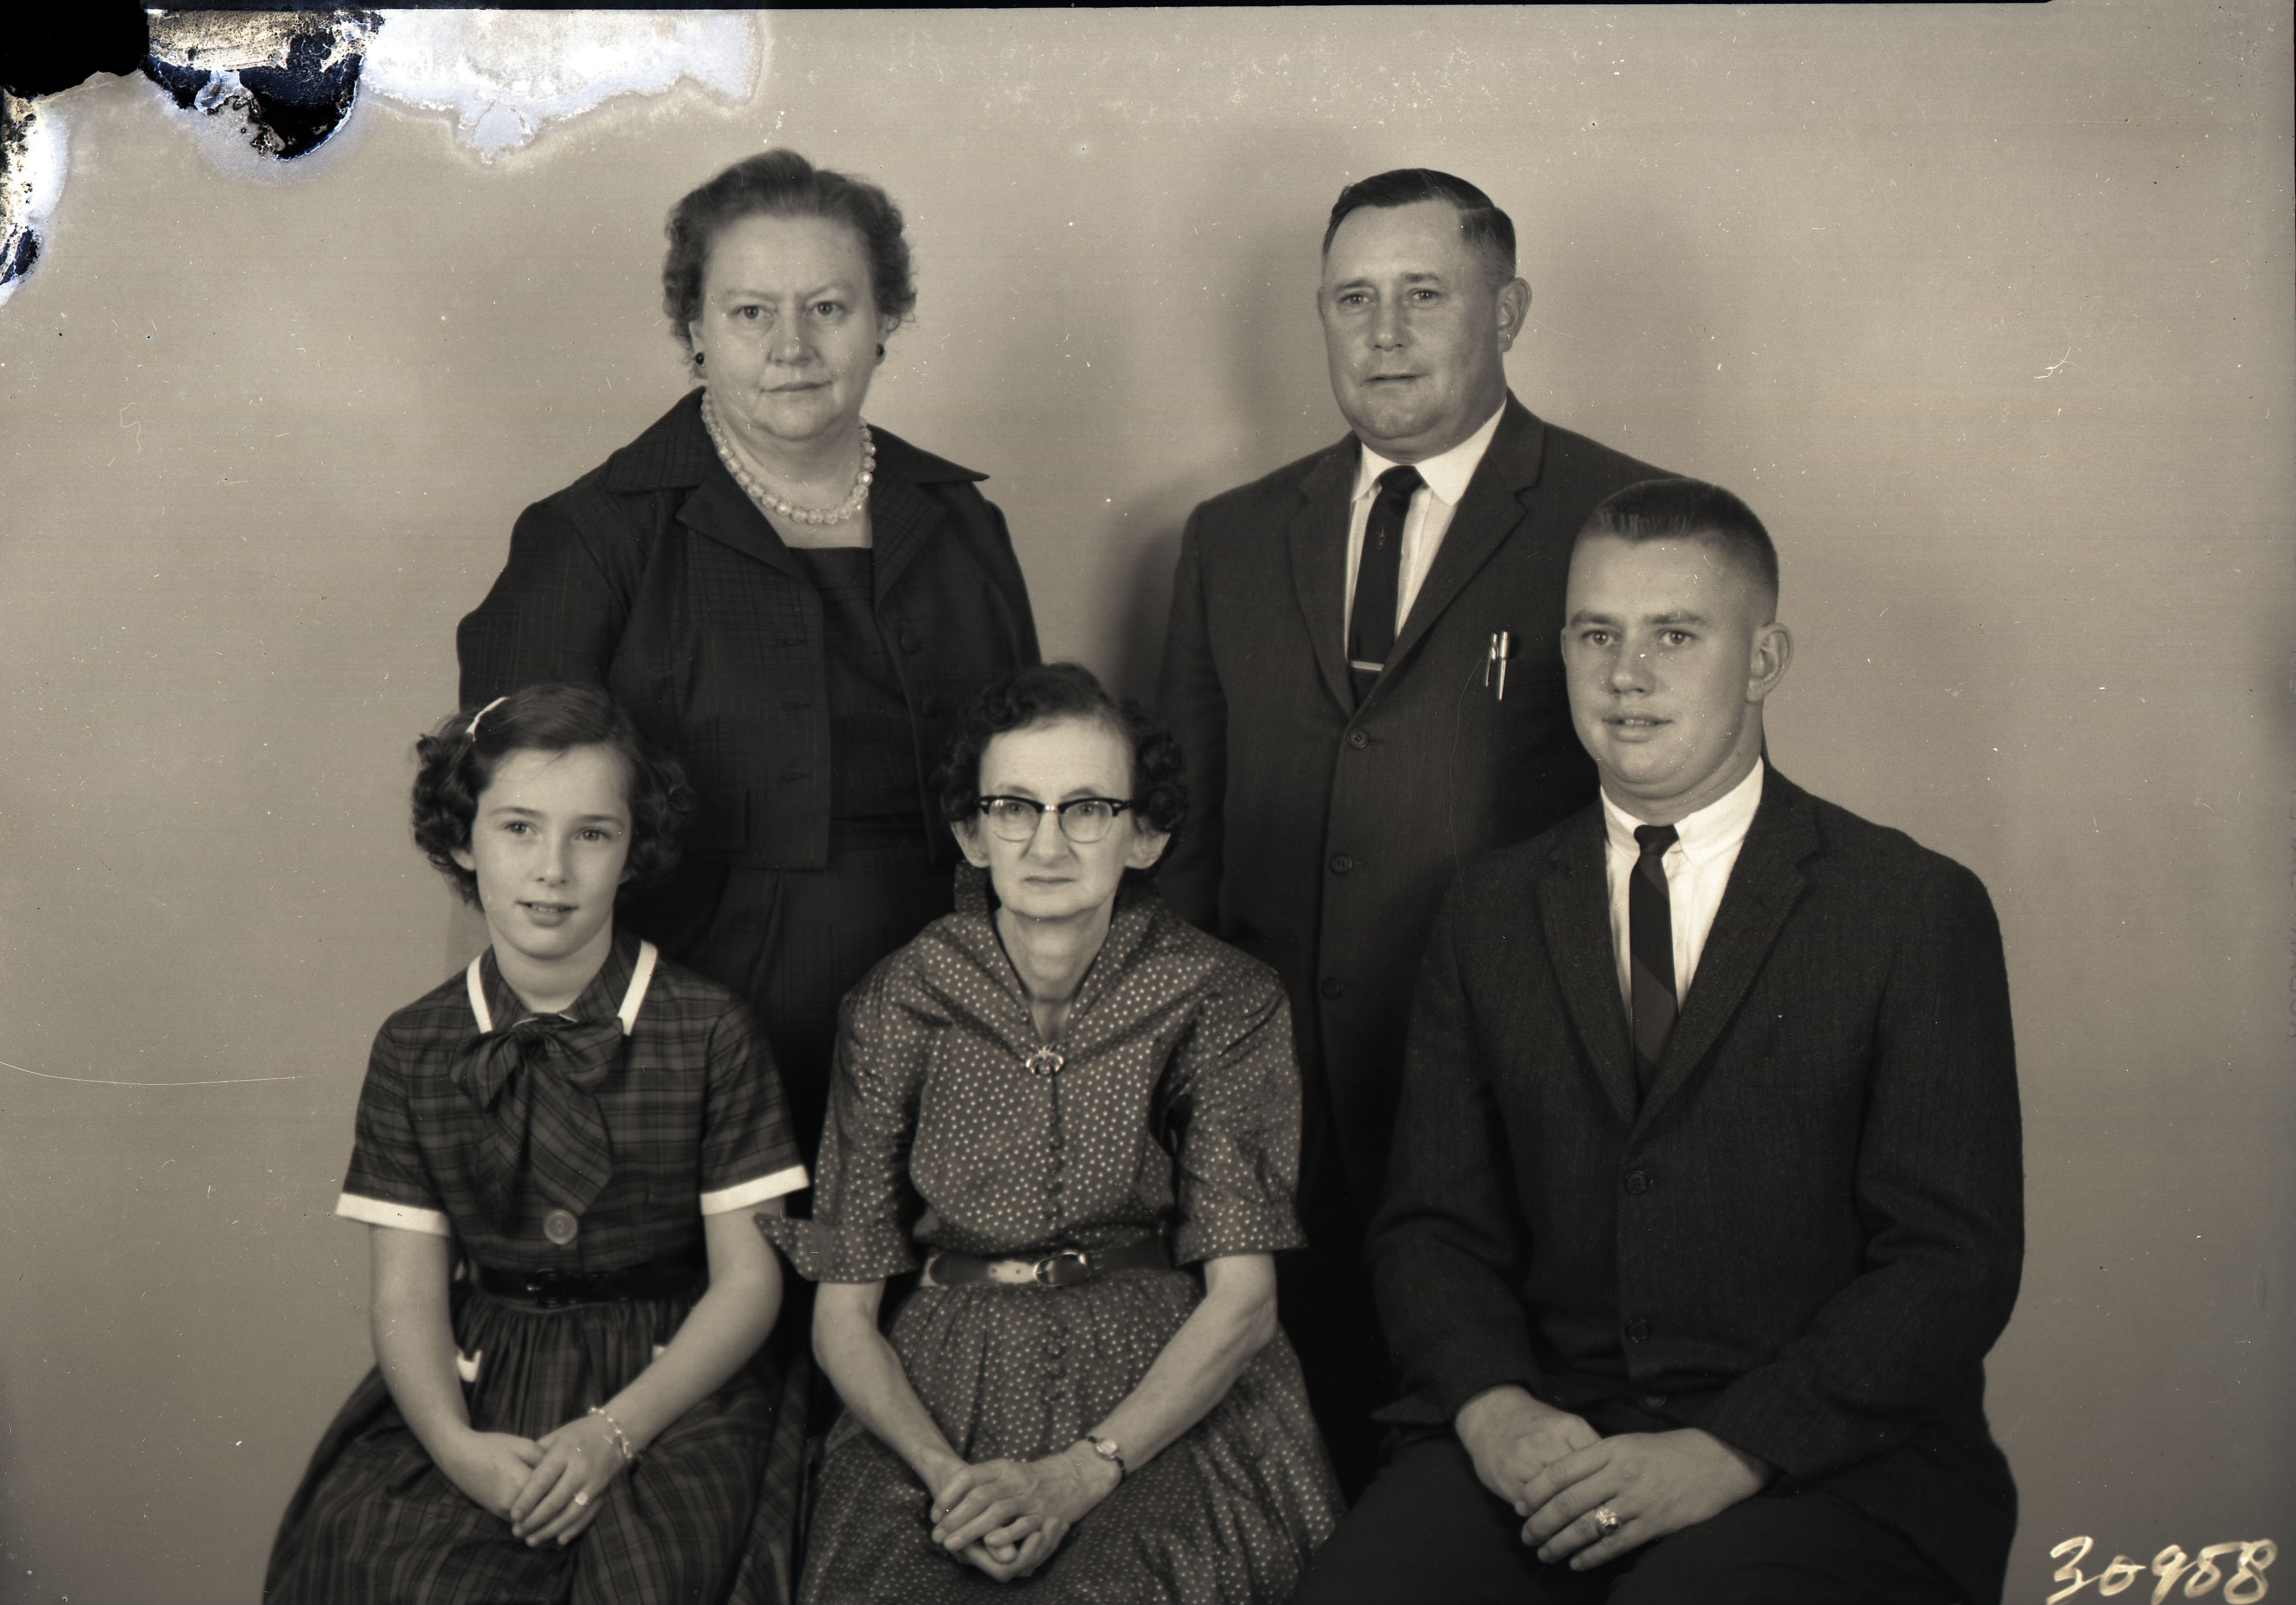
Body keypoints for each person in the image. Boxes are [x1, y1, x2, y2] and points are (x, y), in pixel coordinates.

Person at [1294, 478, 2024, 1604]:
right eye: (1596, 635)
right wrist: (1493, 1409)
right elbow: (1432, 1225)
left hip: (1821, 1457)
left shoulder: (1907, 908)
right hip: (1550, 1428)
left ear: (1763, 660)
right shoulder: (1486, 911)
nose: (1625, 675)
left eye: (1674, 636)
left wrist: (1731, 1451)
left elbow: (1948, 1261)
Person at [1156, 167, 1668, 1491]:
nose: (1382, 334)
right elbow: (1187, 845)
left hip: (1510, 1119)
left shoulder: (1619, 526)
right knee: (1288, 1482)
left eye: (1423, 295)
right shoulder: (1230, 538)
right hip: (1274, 1116)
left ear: (1507, 310)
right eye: (1351, 300)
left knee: (1475, 1484)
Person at [457, 148, 1040, 1157]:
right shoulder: (592, 535)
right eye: (750, 312)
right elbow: (515, 831)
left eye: (829, 308)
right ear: (694, 329)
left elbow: (1029, 783)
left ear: (885, 317)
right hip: (679, 1013)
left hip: (951, 1004)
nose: (792, 347)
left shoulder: (962, 525)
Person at [761, 664, 1343, 1602]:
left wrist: (1079, 1475)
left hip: (1159, 1374)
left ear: (1145, 835)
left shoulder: (1223, 997)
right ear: (971, 832)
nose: (1045, 843)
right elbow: (843, 1318)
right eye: (1013, 808)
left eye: (1087, 810)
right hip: (939, 1386)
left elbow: (1244, 1303)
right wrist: (950, 1483)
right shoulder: (897, 1000)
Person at [265, 683, 807, 1605]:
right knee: (390, 1569)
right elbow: (406, 1294)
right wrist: (457, 1450)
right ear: (461, 839)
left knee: (654, 1582)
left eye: (591, 834)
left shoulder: (710, 1030)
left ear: (633, 851)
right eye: (518, 828)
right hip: (482, 1381)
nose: (552, 869)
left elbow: (748, 1284)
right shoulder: (416, 1045)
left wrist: (614, 1435)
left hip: (670, 1383)